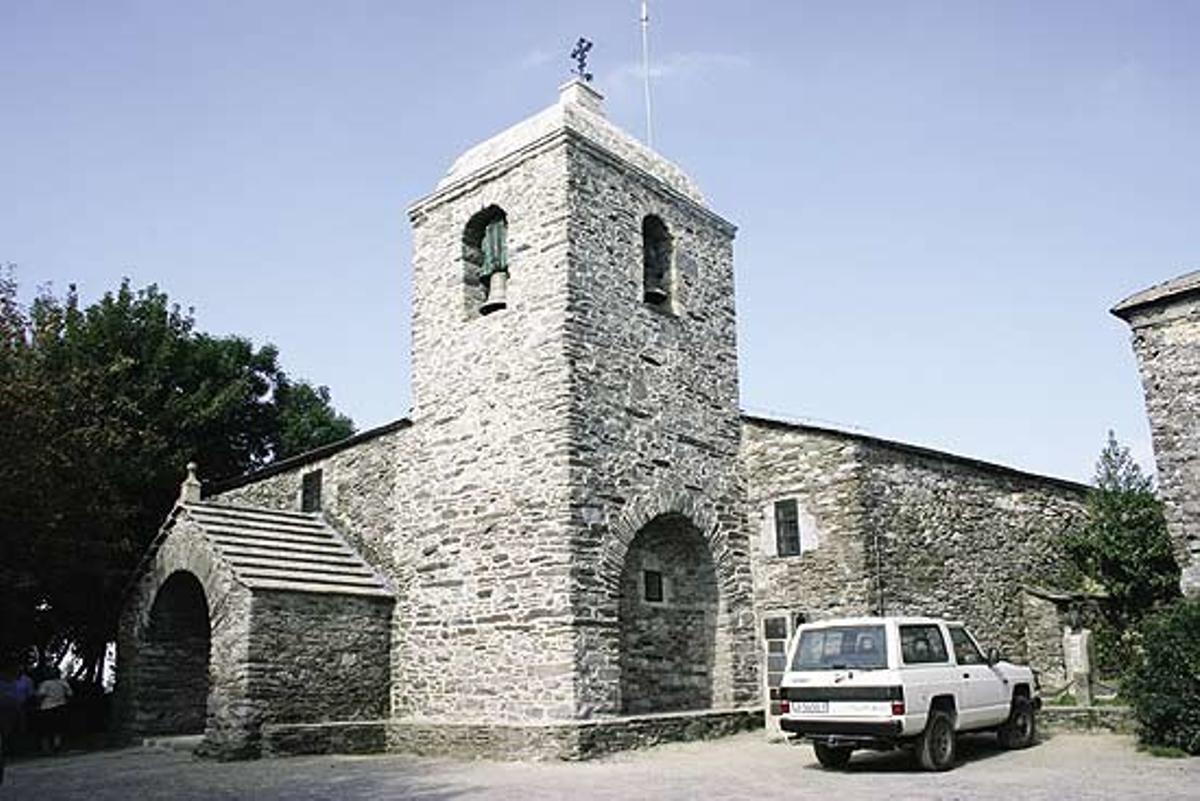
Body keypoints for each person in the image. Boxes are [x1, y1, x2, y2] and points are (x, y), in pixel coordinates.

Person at [34, 668, 73, 754]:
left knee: (46, 729)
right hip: (60, 707)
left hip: (47, 707)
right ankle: (57, 746)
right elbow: (70, 694)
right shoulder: (63, 683)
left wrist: (38, 704)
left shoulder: (45, 684)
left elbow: (40, 695)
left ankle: (46, 748)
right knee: (58, 728)